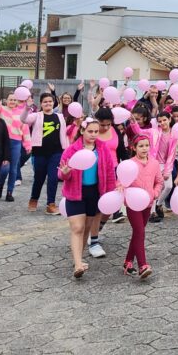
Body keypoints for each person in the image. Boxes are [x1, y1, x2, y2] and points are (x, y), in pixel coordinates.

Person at [58, 118, 117, 279]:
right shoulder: (72, 150)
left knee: (86, 228)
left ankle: (79, 258)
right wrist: (65, 172)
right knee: (77, 227)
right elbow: (62, 174)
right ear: (83, 131)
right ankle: (77, 265)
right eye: (90, 131)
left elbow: (110, 172)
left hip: (95, 194)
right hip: (75, 193)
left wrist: (110, 193)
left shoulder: (103, 148)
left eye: (96, 131)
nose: (93, 134)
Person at [125, 134, 163, 279]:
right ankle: (142, 265)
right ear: (134, 148)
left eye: (147, 145)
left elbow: (159, 181)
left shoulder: (154, 163)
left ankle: (128, 262)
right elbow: (121, 181)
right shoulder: (129, 164)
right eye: (141, 146)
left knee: (137, 233)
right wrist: (121, 187)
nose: (144, 148)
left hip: (148, 203)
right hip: (133, 204)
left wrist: (155, 193)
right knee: (140, 232)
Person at [28, 93, 67, 215]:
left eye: (50, 101)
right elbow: (23, 119)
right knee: (39, 178)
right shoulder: (36, 116)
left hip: (56, 152)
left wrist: (66, 150)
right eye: (45, 101)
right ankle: (34, 199)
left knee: (53, 178)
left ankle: (51, 204)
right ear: (41, 103)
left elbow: (64, 134)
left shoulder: (60, 117)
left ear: (53, 103)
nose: (48, 103)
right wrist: (26, 107)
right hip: (39, 152)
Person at [0, 90, 28, 203]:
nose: (12, 101)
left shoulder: (22, 113)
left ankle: (9, 192)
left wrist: (27, 144)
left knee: (13, 169)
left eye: (14, 99)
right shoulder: (2, 110)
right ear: (6, 100)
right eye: (10, 99)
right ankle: (0, 186)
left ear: (18, 101)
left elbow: (25, 130)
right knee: (4, 168)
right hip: (2, 142)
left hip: (16, 142)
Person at [91, 107, 123, 240]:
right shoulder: (92, 132)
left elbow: (121, 151)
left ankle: (98, 227)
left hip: (113, 170)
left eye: (108, 124)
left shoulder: (115, 131)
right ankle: (93, 236)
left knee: (111, 204)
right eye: (102, 124)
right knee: (96, 205)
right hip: (95, 170)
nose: (105, 127)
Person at [151, 111, 175, 223]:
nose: (162, 123)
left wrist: (167, 170)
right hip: (155, 163)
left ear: (170, 119)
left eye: (164, 120)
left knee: (169, 186)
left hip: (167, 164)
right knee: (155, 187)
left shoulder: (175, 133)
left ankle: (159, 204)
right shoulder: (155, 132)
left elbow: (172, 154)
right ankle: (152, 213)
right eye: (160, 121)